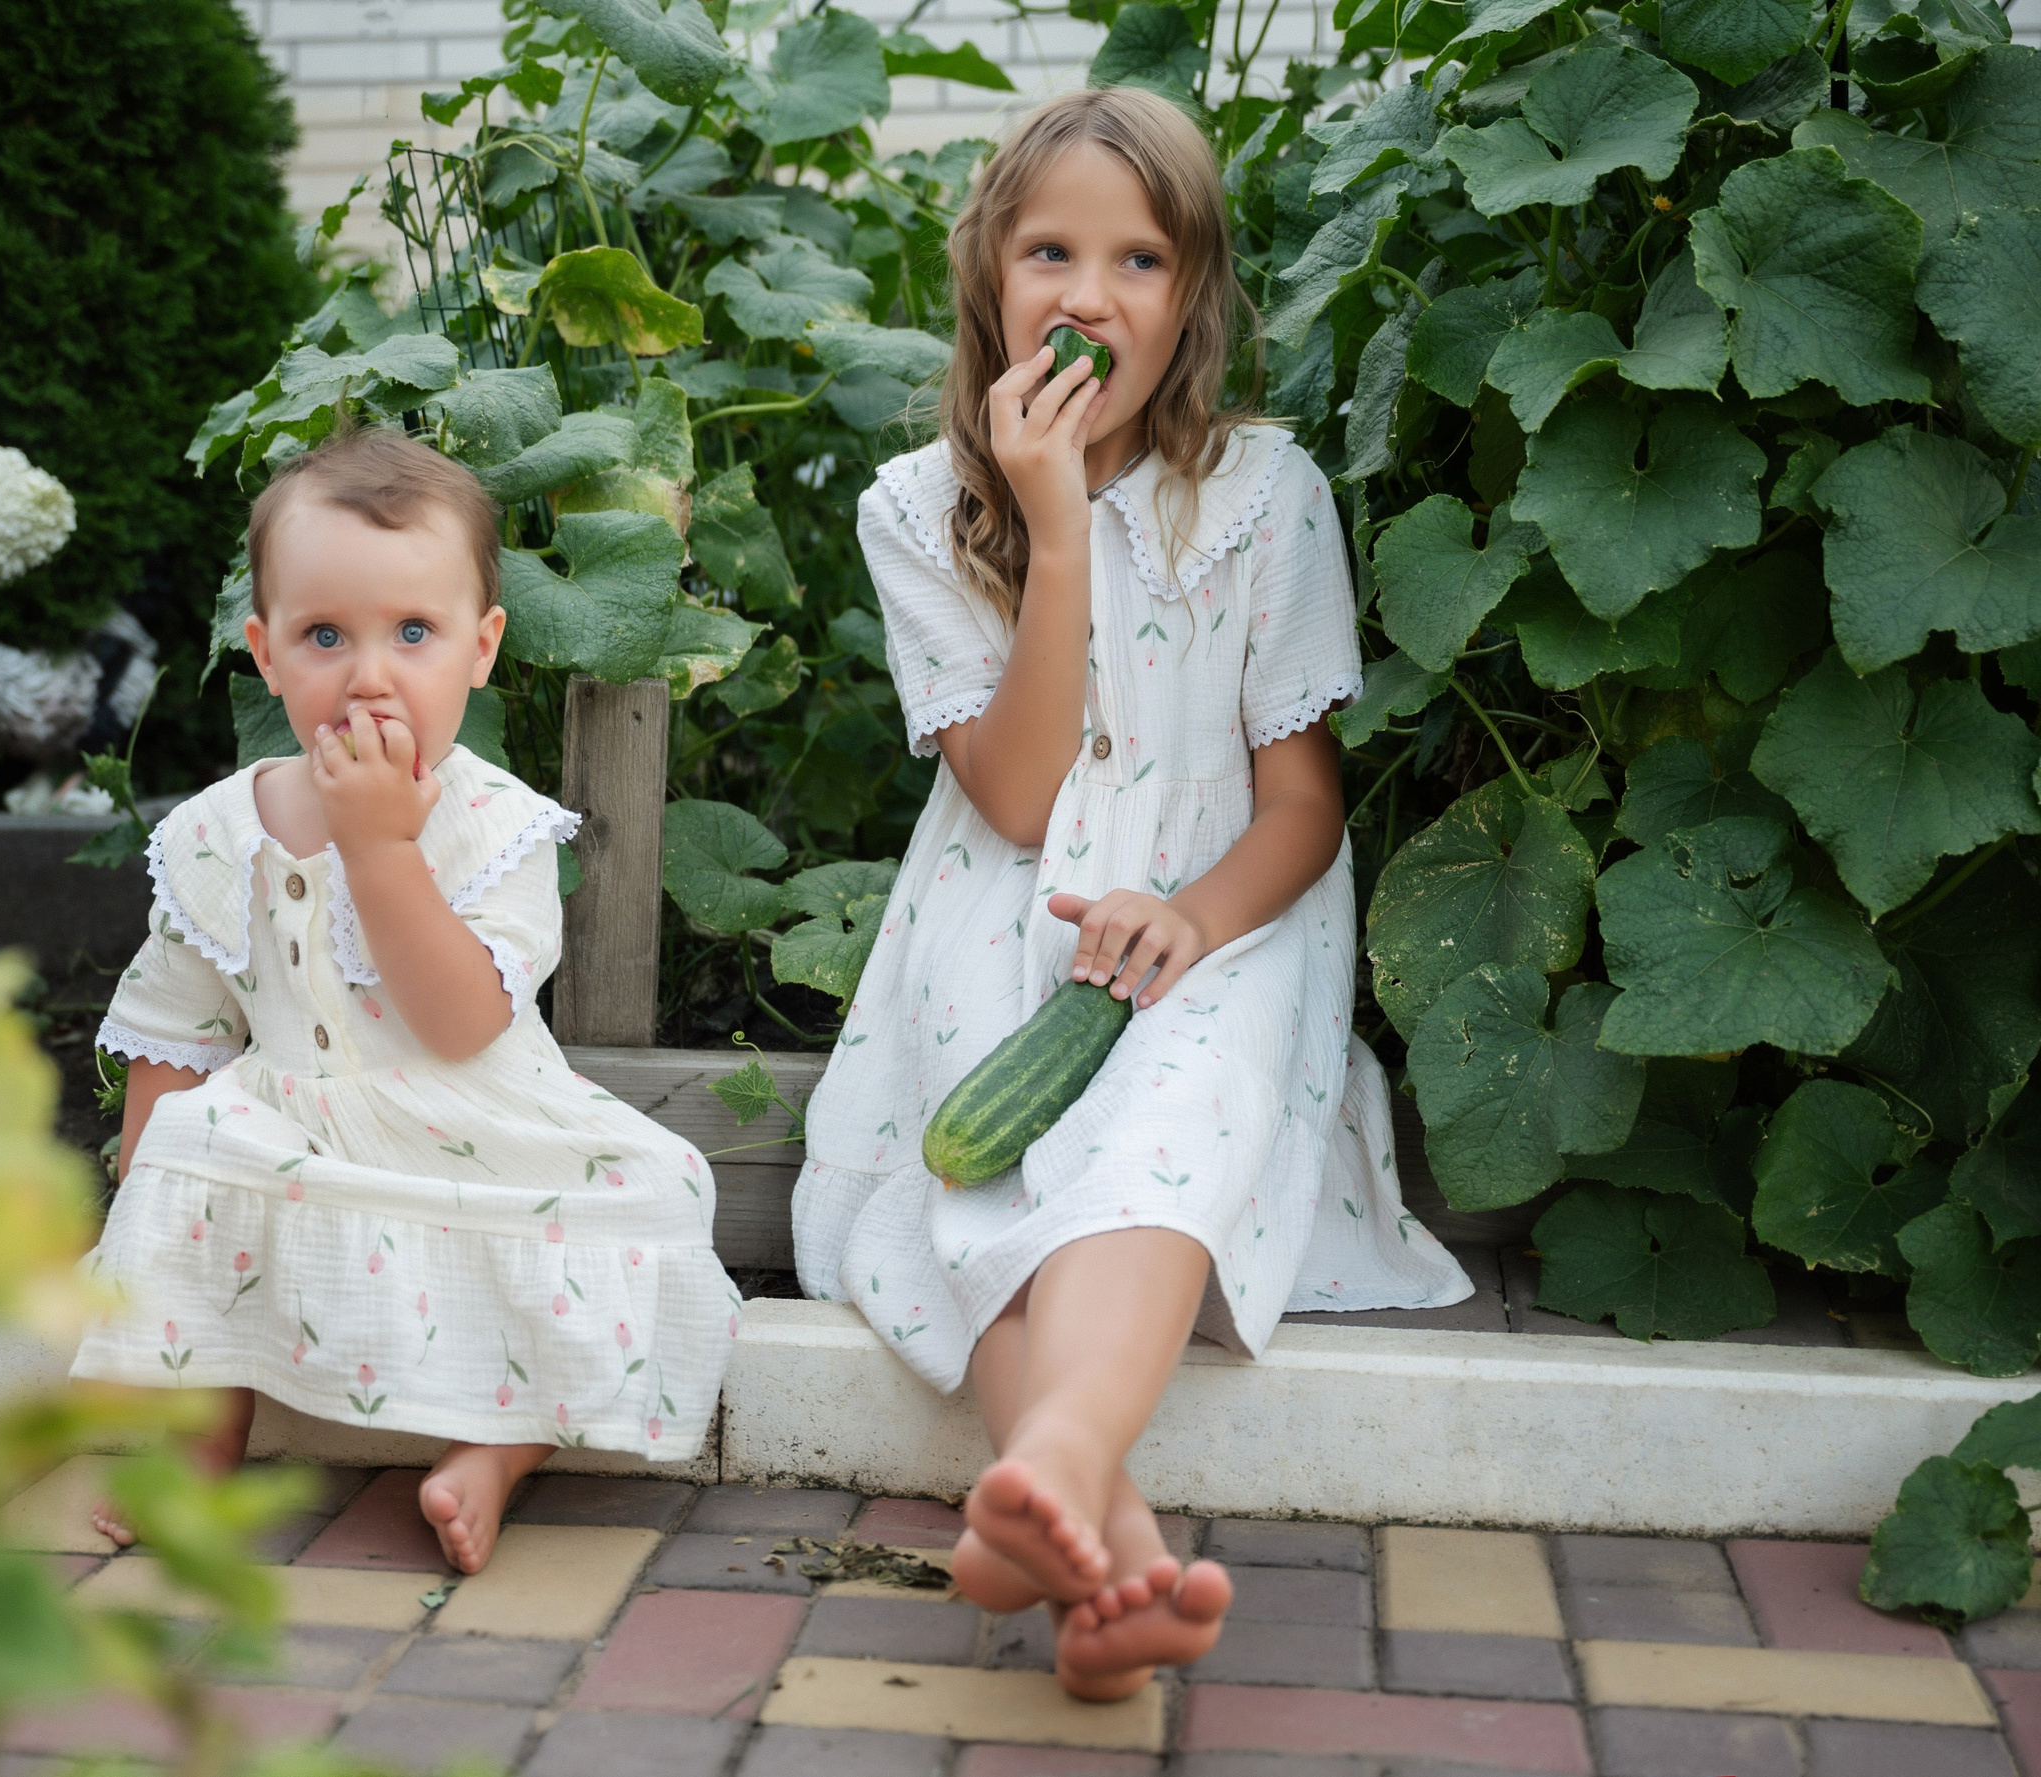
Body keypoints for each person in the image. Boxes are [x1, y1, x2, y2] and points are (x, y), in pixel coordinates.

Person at [795, 86, 1472, 1700]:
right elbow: (1023, 801)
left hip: (1217, 919)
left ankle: (1053, 1472)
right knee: (971, 1178)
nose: (1089, 296)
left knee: (1163, 1123)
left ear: (1193, 297)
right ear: (990, 276)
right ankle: (1112, 1550)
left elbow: (1301, 806)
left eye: (1139, 260)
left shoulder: (1263, 495)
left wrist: (1193, 917)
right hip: (1002, 913)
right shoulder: (917, 508)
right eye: (1050, 252)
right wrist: (1052, 528)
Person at [72, 426, 740, 1573]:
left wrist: (381, 848)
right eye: (325, 635)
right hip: (292, 1124)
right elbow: (174, 1025)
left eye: (413, 633)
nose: (369, 674)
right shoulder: (216, 832)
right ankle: (199, 1442)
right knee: (186, 1137)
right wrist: (149, 1231)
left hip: (479, 1127)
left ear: (481, 648)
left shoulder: (494, 825)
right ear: (265, 653)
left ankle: (496, 1451)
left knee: (662, 1193)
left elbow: (462, 1022)